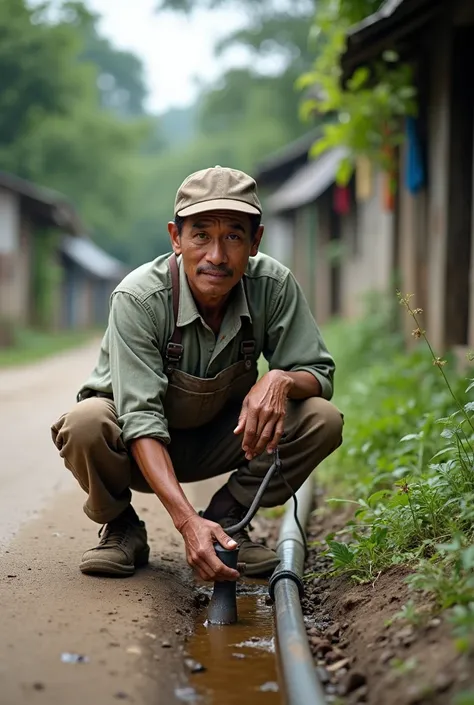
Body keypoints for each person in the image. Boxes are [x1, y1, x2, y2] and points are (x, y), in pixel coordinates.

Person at [51, 165, 343, 583]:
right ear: (176, 238)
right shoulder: (139, 298)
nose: (217, 256)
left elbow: (318, 372)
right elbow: (140, 419)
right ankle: (121, 528)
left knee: (321, 419)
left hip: (221, 437)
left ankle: (227, 524)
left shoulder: (273, 286)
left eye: (234, 237)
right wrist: (186, 523)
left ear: (255, 241)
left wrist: (279, 379)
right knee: (84, 423)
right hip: (134, 447)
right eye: (201, 235)